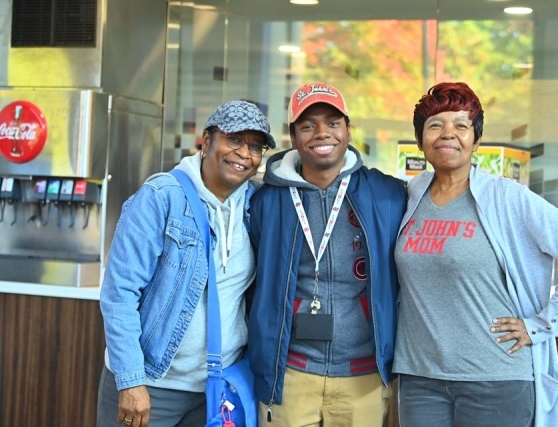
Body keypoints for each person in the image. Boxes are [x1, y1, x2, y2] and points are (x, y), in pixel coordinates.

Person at [392, 82, 558, 427]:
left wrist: (541, 324)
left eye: (461, 126)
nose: (448, 134)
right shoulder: (408, 195)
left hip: (495, 377)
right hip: (421, 377)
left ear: (476, 141)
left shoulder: (507, 198)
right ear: (420, 141)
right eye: (435, 125)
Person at [98, 100, 276, 427]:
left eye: (255, 146)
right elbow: (119, 294)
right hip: (152, 384)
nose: (244, 153)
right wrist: (131, 380)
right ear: (206, 141)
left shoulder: (255, 205)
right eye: (234, 139)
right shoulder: (160, 197)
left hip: (219, 387)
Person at [247, 82, 407, 426]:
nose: (322, 133)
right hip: (288, 372)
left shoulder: (389, 195)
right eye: (308, 125)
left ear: (349, 131)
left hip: (363, 375)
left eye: (333, 123)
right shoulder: (265, 201)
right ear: (293, 136)